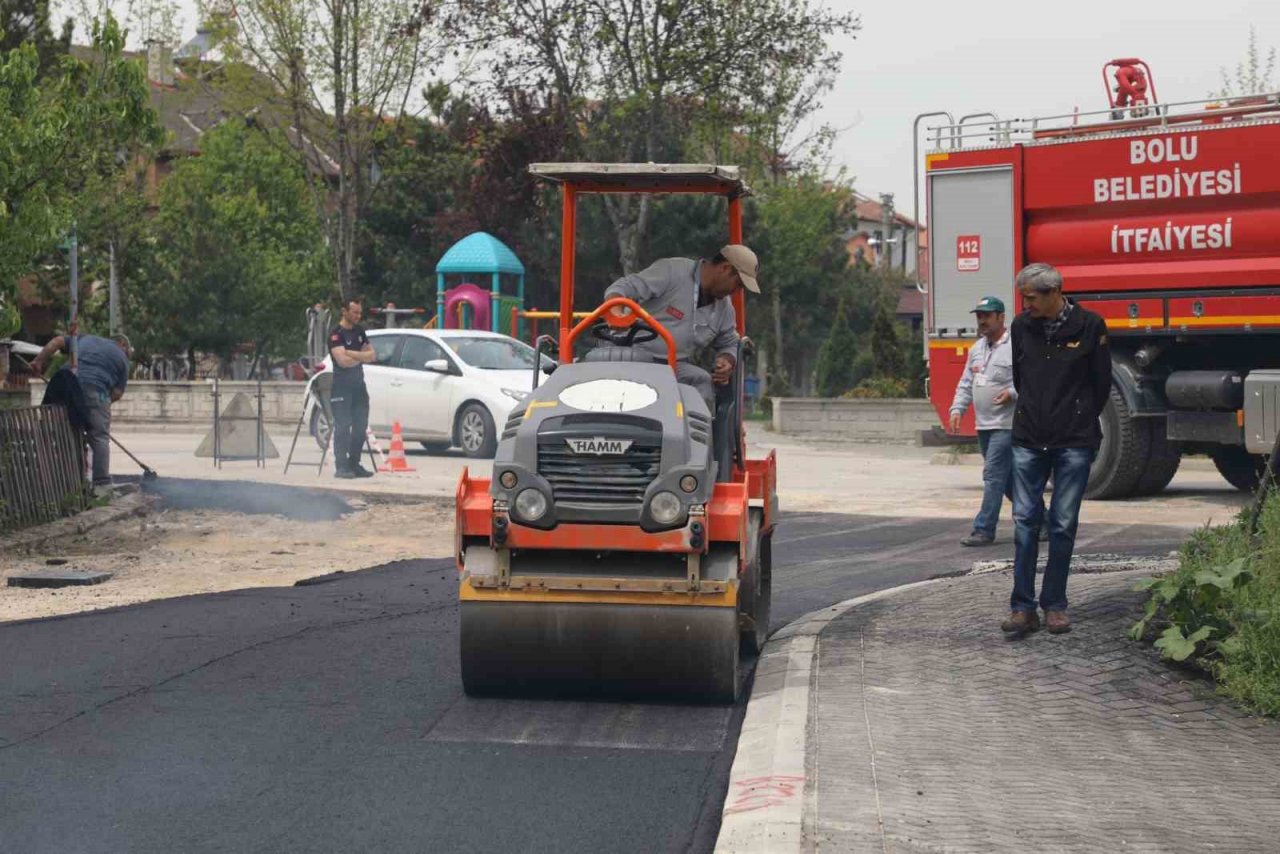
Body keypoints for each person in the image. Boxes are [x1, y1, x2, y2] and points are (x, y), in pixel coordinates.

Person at [1002, 263, 1112, 636]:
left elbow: (1100, 384)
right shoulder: (1021, 326)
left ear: (1055, 293)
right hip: (1029, 438)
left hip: (1073, 440)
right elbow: (1022, 379)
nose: (1026, 305)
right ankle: (1022, 608)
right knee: (1024, 523)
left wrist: (1078, 418)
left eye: (1032, 298)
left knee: (1063, 525)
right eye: (1024, 298)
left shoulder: (1090, 326)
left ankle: (1054, 606)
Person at [602, 245, 760, 411]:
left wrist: (727, 359)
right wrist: (615, 312)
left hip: (673, 367)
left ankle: (695, 428)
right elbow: (622, 287)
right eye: (738, 284)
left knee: (701, 380)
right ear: (725, 268)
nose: (736, 291)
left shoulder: (725, 308)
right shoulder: (672, 272)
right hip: (633, 356)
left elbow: (729, 342)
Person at [948, 296, 1017, 547]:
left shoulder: (1015, 346)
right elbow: (966, 382)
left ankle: (984, 529)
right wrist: (957, 409)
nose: (982, 321)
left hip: (1006, 424)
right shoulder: (977, 348)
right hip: (984, 425)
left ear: (1001, 317)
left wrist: (1012, 393)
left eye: (987, 316)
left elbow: (1032, 379)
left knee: (992, 475)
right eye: (979, 316)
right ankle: (1041, 520)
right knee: (1007, 480)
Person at [31, 333, 131, 488]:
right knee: (99, 438)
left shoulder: (86, 338)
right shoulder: (122, 358)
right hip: (94, 390)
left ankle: (69, 482)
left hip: (64, 386)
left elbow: (57, 341)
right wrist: (102, 405)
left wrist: (38, 361)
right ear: (123, 345)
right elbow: (117, 393)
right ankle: (101, 485)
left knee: (68, 435)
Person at [328, 298, 377, 479]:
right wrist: (361, 356)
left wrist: (350, 352)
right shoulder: (336, 334)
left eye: (359, 312)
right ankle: (341, 466)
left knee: (360, 426)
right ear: (344, 311)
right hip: (341, 387)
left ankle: (354, 463)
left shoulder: (359, 331)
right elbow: (343, 361)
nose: (358, 316)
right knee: (342, 426)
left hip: (358, 387)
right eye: (355, 312)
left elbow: (372, 355)